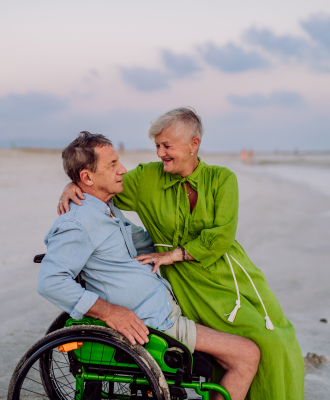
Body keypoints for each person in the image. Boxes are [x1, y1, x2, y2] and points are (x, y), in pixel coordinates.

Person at [58, 109, 305, 399]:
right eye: (157, 146)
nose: (160, 153)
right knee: (247, 347)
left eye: (167, 145)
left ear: (193, 144)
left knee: (276, 340)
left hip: (227, 275)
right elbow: (101, 185)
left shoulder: (222, 178)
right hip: (183, 285)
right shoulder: (147, 177)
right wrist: (72, 185)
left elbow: (221, 236)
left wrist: (173, 255)